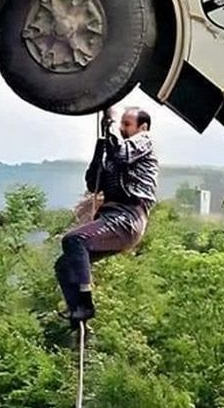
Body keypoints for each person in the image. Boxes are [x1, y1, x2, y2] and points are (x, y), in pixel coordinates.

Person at [55, 106, 159, 328]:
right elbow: (94, 183)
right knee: (64, 264)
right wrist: (99, 148)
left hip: (128, 217)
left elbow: (122, 154)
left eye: (126, 125)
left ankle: (85, 303)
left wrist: (110, 123)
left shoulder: (144, 141)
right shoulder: (115, 154)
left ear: (143, 127)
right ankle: (76, 311)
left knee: (74, 240)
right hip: (113, 217)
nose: (122, 129)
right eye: (121, 124)